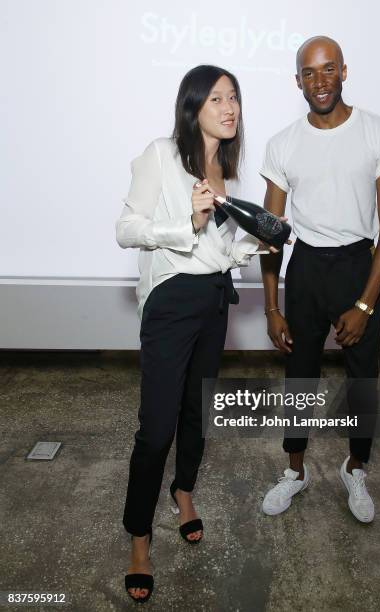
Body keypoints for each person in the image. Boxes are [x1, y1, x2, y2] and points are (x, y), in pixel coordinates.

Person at [116, 64, 279, 603]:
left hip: (213, 302)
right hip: (170, 304)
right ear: (193, 107)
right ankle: (140, 536)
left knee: (197, 414)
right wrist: (184, 223)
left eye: (234, 98)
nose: (230, 108)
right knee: (156, 428)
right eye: (216, 99)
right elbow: (127, 229)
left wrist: (254, 246)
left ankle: (183, 492)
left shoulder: (226, 171)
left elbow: (221, 251)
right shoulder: (162, 154)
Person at [259, 36, 380, 522]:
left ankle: (355, 468)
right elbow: (271, 236)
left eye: (328, 70)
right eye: (309, 72)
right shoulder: (282, 144)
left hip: (356, 268)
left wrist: (364, 305)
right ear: (297, 80)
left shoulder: (379, 133)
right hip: (305, 269)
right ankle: (295, 472)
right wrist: (272, 307)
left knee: (363, 379)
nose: (319, 81)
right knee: (299, 375)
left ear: (344, 71)